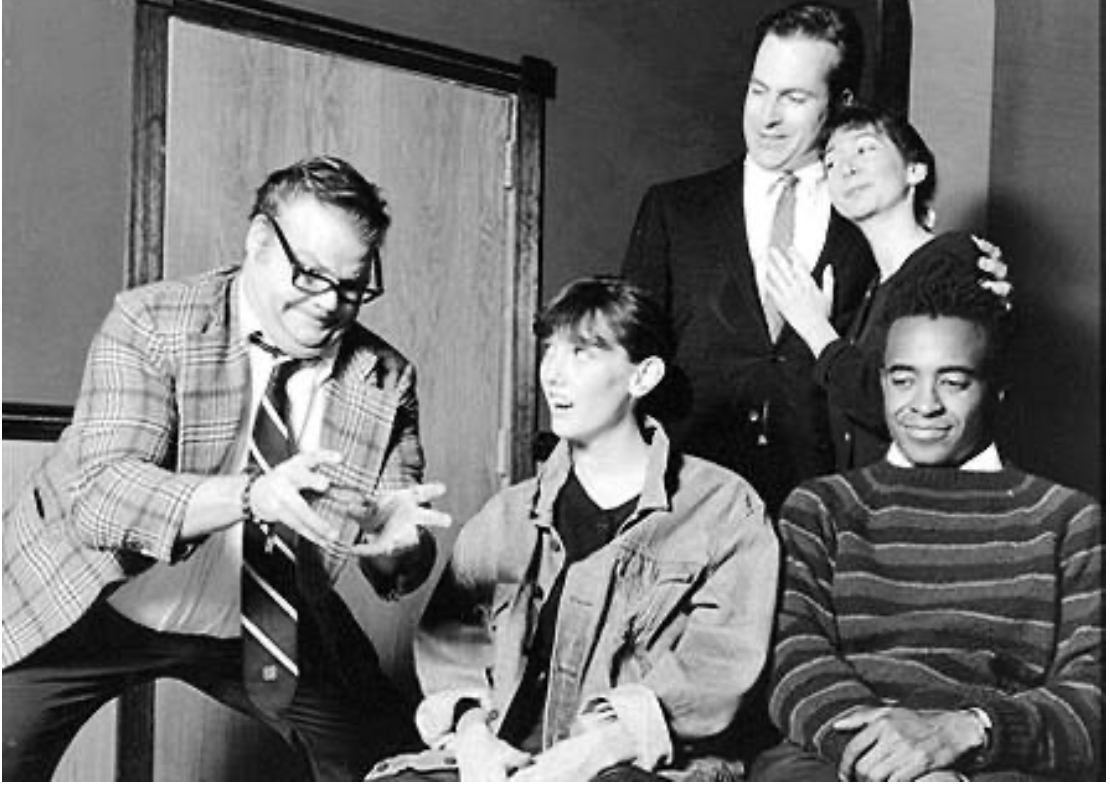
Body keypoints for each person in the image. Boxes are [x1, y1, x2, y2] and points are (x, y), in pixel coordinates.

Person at [2, 155, 452, 781]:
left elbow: (399, 544)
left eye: (352, 286)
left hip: (267, 612)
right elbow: (101, 497)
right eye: (310, 276)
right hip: (91, 595)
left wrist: (397, 549)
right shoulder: (151, 321)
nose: (330, 305)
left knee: (397, 764)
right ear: (260, 241)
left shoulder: (384, 378)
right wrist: (252, 497)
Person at [366, 276, 780, 781]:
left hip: (636, 766)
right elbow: (451, 645)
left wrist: (598, 748)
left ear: (643, 376)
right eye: (550, 351)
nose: (553, 375)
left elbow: (717, 671)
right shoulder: (507, 515)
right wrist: (474, 738)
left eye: (582, 353)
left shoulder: (724, 509)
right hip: (506, 761)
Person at [621, 2, 1004, 514]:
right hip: (691, 502)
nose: (767, 117)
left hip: (829, 509)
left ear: (841, 102)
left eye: (794, 97)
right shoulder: (674, 208)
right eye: (758, 91)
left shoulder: (871, 219)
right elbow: (626, 357)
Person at [753, 257, 1105, 781]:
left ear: (997, 389)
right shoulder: (822, 506)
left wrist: (966, 732)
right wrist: (896, 764)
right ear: (882, 381)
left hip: (995, 765)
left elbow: (1094, 696)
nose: (923, 405)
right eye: (903, 379)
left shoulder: (1068, 519)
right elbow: (793, 663)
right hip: (832, 760)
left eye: (954, 382)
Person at [766, 103, 1010, 470]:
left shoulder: (950, 260)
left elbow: (913, 411)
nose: (846, 168)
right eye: (830, 163)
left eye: (864, 149)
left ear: (914, 171)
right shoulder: (874, 287)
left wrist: (815, 328)